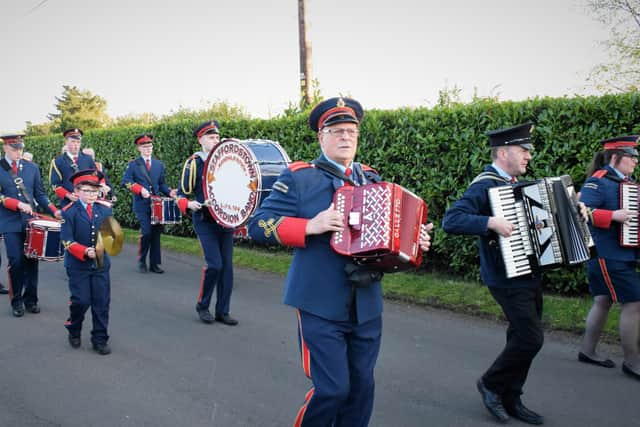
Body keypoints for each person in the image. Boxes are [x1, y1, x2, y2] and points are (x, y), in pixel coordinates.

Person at [247, 97, 433, 426]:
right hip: (319, 302)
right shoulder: (299, 178)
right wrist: (309, 226)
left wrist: (415, 240)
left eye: (351, 131)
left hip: (366, 303)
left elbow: (391, 235)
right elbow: (257, 225)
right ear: (321, 137)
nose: (346, 137)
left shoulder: (373, 180)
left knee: (362, 388)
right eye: (336, 131)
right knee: (332, 389)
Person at [442, 123, 546, 425]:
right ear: (503, 152)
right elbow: (453, 220)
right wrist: (490, 222)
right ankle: (490, 383)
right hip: (504, 276)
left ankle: (512, 397)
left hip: (528, 270)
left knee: (521, 335)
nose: (528, 155)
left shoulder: (519, 183)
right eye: (523, 150)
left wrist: (577, 210)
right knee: (530, 338)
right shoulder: (484, 185)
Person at [578, 135, 640, 381]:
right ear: (616, 158)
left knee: (603, 300)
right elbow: (580, 211)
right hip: (606, 254)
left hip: (621, 253)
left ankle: (587, 351)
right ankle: (633, 362)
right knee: (634, 304)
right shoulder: (599, 181)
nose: (636, 161)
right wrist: (613, 216)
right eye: (632, 157)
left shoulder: (627, 182)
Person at [176, 121, 238, 326]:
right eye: (211, 137)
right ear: (200, 140)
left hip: (226, 221)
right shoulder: (195, 163)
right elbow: (181, 195)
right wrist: (190, 204)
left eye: (217, 137)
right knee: (215, 265)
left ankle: (223, 311)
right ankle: (203, 306)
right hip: (205, 220)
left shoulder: (228, 160)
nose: (215, 140)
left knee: (227, 268)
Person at [0, 133, 61, 316]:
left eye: (21, 148)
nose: (19, 152)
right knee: (16, 261)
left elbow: (40, 194)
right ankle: (16, 301)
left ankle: (31, 299)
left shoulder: (32, 167)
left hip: (30, 222)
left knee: (32, 261)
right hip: (8, 222)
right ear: (5, 148)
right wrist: (16, 204)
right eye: (14, 149)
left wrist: (54, 210)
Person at [60, 169, 113, 355]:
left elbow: (111, 234)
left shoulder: (105, 209)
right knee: (81, 301)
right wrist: (84, 251)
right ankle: (73, 327)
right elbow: (66, 240)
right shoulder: (68, 212)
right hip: (77, 265)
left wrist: (109, 242)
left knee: (101, 302)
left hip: (100, 263)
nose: (91, 195)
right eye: (87, 191)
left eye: (95, 191)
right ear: (76, 191)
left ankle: (100, 339)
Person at [121, 133, 176, 274]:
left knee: (156, 235)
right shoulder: (133, 165)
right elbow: (125, 182)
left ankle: (154, 264)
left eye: (150, 146)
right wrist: (139, 189)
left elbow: (161, 184)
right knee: (146, 233)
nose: (148, 148)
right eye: (144, 146)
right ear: (139, 148)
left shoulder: (158, 164)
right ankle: (141, 260)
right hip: (142, 205)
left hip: (157, 205)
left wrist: (170, 192)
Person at [49, 128, 108, 208]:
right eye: (73, 142)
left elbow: (97, 176)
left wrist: (102, 184)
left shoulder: (88, 159)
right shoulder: (57, 161)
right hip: (69, 203)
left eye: (78, 142)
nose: (76, 145)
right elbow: (55, 184)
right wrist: (68, 195)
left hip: (88, 203)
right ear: (66, 142)